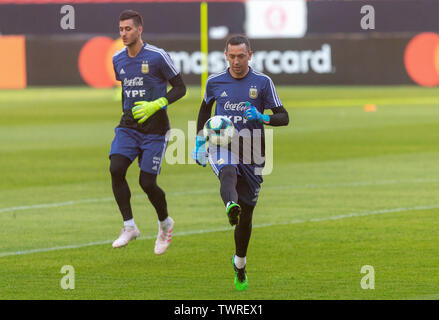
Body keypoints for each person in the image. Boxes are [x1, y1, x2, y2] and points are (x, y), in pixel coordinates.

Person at [192, 35, 289, 290]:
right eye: (232, 56)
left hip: (254, 154)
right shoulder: (214, 82)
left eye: (241, 56)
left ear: (250, 55)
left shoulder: (263, 83)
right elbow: (204, 111)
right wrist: (199, 141)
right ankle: (230, 204)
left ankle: (240, 263)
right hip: (222, 147)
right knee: (227, 171)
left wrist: (262, 116)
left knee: (246, 218)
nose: (236, 61)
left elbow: (284, 117)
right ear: (226, 55)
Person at [110, 10, 186, 254]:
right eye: (121, 29)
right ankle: (129, 226)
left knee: (147, 182)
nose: (124, 33)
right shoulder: (118, 59)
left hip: (155, 129)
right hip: (129, 126)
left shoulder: (157, 56)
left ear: (139, 29)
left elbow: (181, 88)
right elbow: (126, 90)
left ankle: (165, 223)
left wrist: (157, 103)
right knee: (116, 168)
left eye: (128, 29)